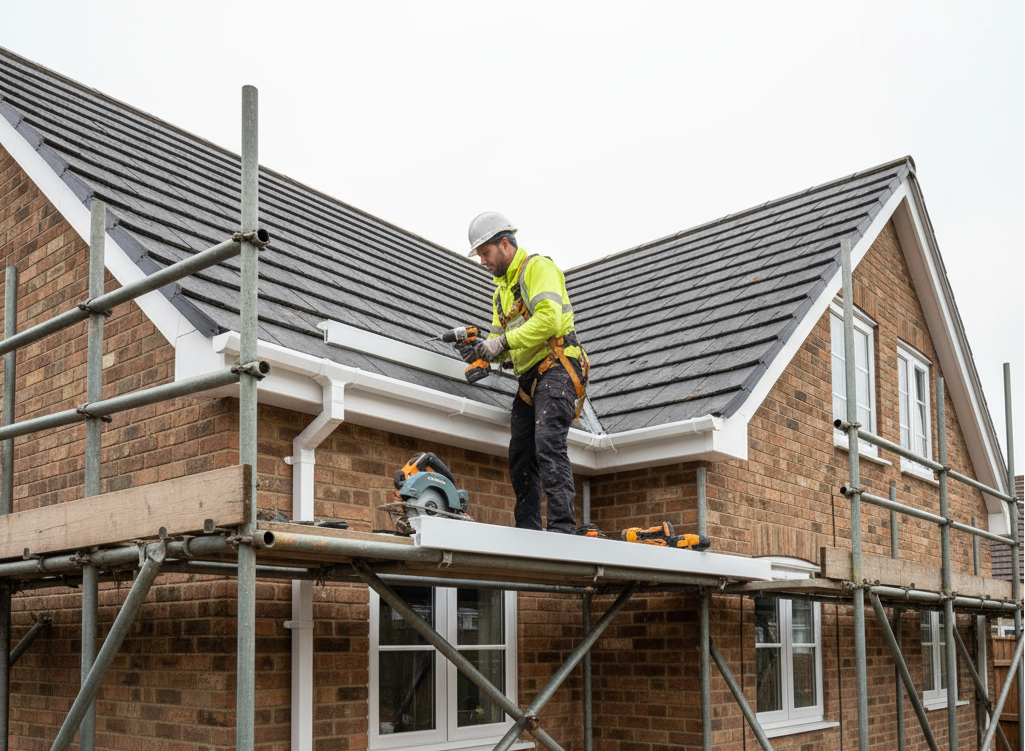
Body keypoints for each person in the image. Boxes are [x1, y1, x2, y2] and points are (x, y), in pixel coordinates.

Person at [466, 211, 589, 534]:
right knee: (521, 451)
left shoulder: (537, 268)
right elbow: (500, 343)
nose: (482, 262)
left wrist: (501, 343)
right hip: (530, 379)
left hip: (558, 367)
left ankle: (562, 527)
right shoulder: (500, 293)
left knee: (548, 441)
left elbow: (548, 320)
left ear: (504, 244)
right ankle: (529, 528)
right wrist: (482, 351)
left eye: (485, 253)